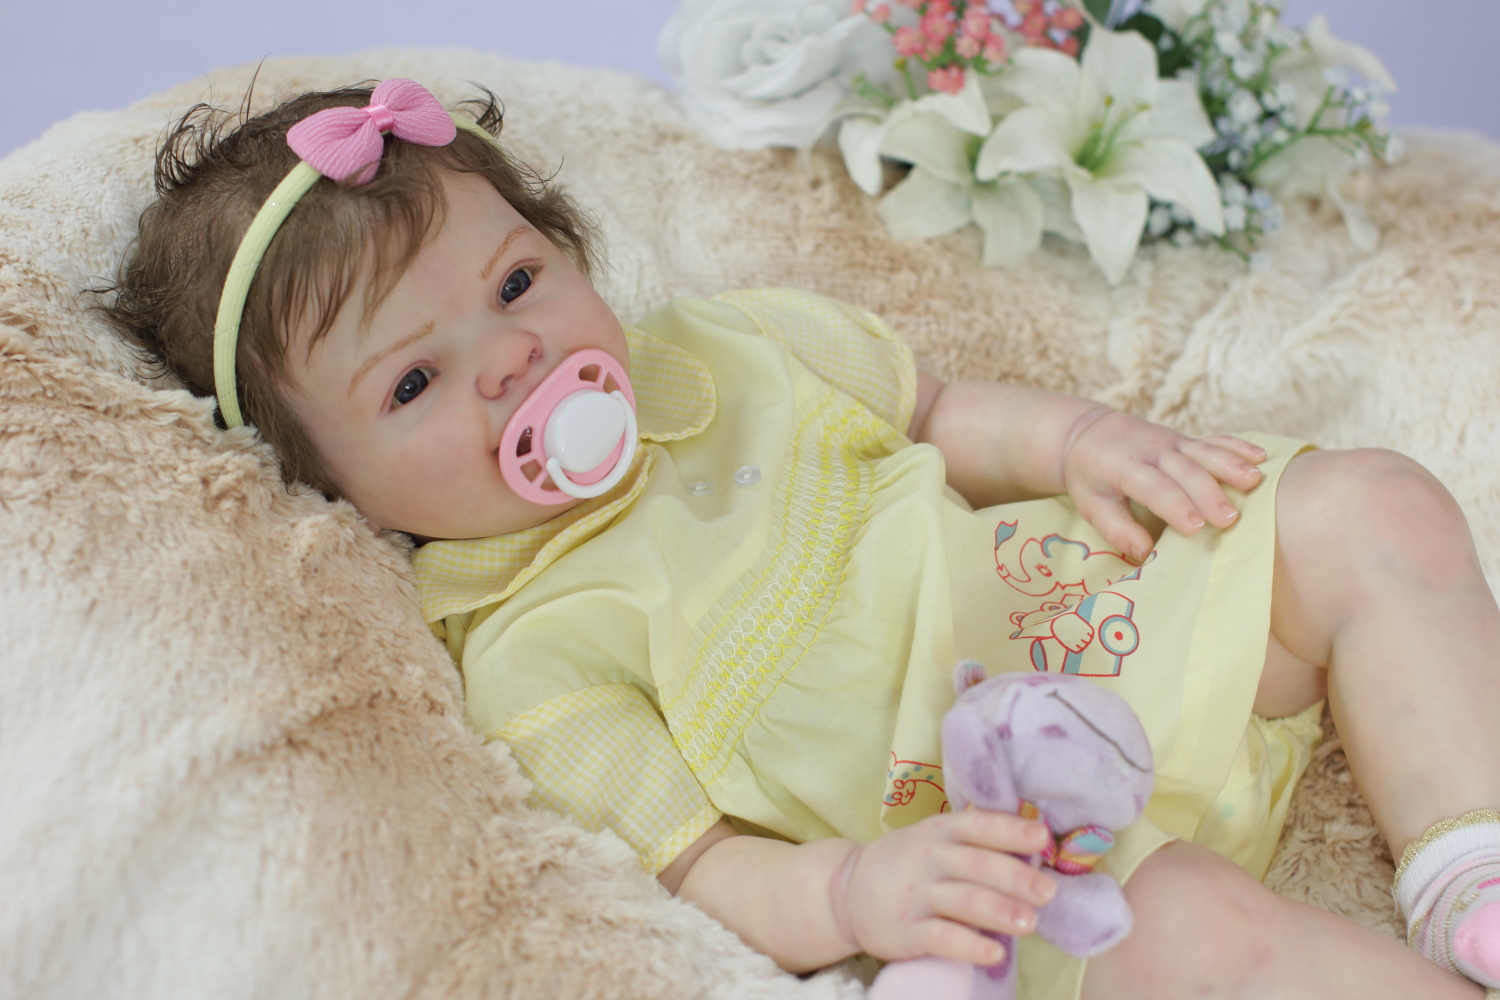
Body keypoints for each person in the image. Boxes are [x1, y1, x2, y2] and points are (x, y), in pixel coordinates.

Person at [105, 80, 1500, 1000]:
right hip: (1015, 837)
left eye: (519, 280)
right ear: (340, 493)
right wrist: (856, 891)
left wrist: (1079, 442)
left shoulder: (730, 348)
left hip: (1106, 621)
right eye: (414, 382)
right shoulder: (530, 653)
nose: (512, 356)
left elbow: (938, 411)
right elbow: (706, 866)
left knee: (1370, 505)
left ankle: (1468, 862)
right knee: (1191, 936)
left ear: (571, 250)